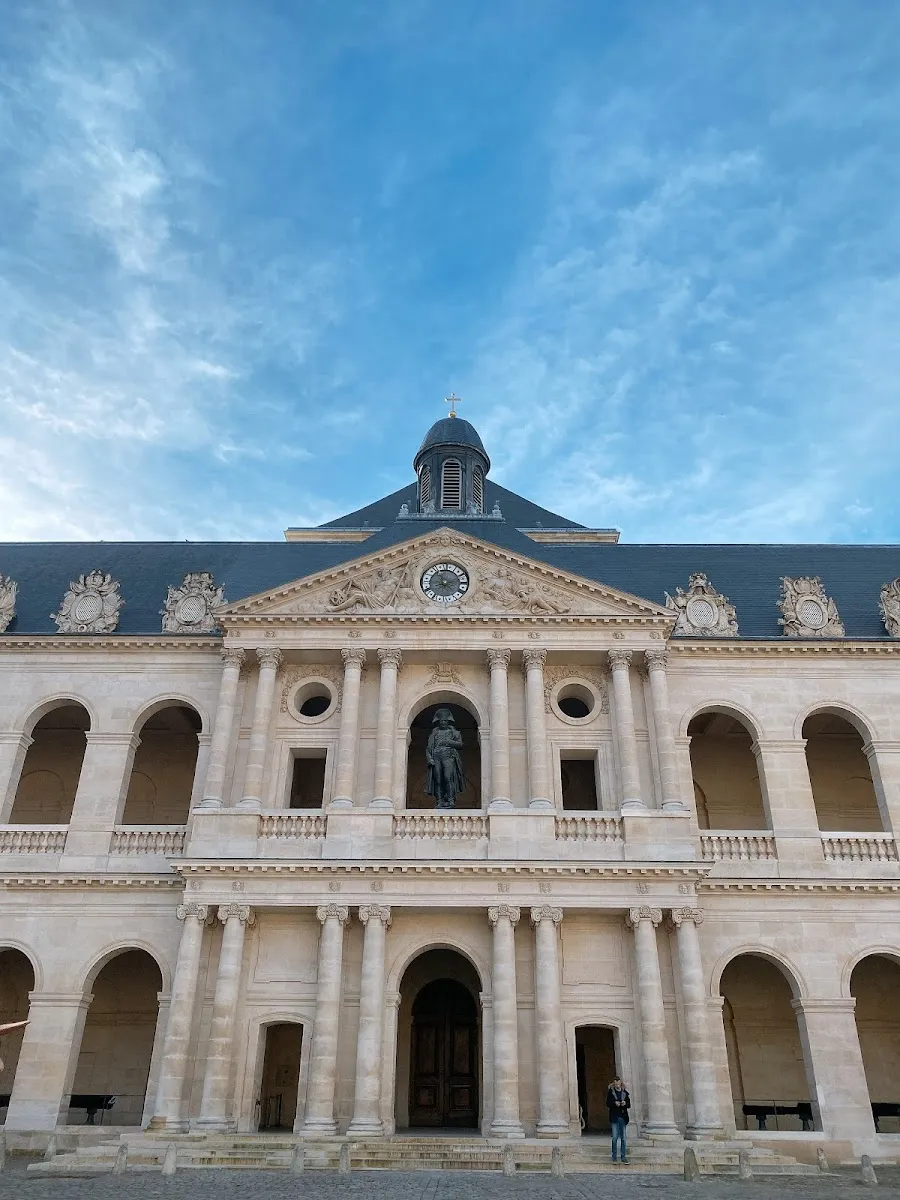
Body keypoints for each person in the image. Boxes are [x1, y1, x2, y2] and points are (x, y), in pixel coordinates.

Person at [606, 1076, 630, 1164]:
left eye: (618, 1083)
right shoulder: (610, 1093)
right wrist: (614, 1103)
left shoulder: (625, 1093)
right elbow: (607, 1103)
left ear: (621, 1083)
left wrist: (625, 1103)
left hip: (623, 1117)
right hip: (614, 1117)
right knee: (615, 1137)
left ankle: (623, 1157)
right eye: (616, 1083)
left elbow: (629, 1104)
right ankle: (614, 1157)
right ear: (614, 1084)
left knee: (623, 1138)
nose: (617, 1085)